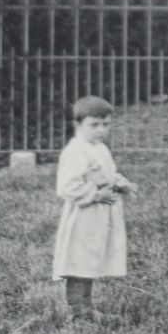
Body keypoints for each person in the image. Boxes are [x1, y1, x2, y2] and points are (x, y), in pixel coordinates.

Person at [53, 95, 136, 321]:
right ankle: (78, 312)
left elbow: (106, 172)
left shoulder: (98, 148)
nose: (101, 130)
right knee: (79, 261)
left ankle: (86, 309)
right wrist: (96, 195)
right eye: (95, 125)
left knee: (90, 261)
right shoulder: (76, 151)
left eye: (106, 125)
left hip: (98, 217)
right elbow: (67, 187)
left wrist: (119, 183)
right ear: (78, 125)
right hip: (84, 214)